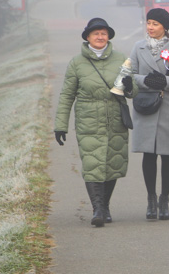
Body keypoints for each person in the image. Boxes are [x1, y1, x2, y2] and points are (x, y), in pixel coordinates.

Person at [54, 18, 133, 227]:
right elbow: (66, 96)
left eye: (103, 33)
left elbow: (132, 91)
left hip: (115, 117)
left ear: (108, 36)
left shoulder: (122, 59)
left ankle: (105, 205)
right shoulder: (76, 63)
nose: (100, 37)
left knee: (112, 163)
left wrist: (130, 86)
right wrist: (60, 125)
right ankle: (97, 209)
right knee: (92, 164)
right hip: (88, 120)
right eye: (96, 33)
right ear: (87, 37)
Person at [129, 8, 169, 220]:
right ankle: (151, 199)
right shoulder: (138, 47)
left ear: (165, 26)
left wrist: (165, 81)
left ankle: (165, 199)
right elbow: (131, 74)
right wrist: (146, 81)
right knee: (149, 154)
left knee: (168, 154)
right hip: (146, 104)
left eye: (155, 23)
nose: (150, 27)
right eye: (148, 23)